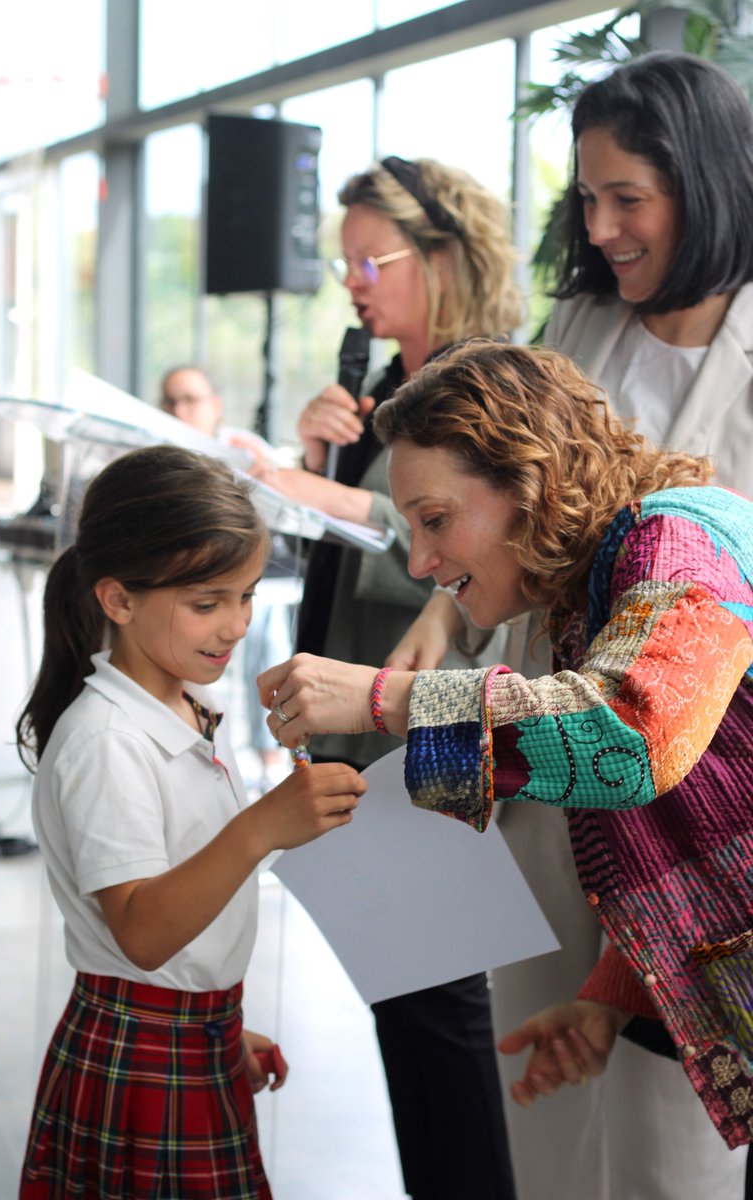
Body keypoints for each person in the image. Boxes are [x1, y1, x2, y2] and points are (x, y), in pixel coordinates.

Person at [384, 51, 753, 1199]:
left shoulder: (702, 456)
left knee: (664, 1132)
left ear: (703, 187)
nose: (598, 227)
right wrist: (436, 640)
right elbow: (495, 527)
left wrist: (395, 707)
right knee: (540, 1083)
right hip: (549, 760)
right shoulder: (579, 320)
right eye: (584, 197)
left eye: (625, 197)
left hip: (691, 798)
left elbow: (647, 715)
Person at [258, 339, 753, 1166]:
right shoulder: (598, 583)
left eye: (436, 521)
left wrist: (387, 702)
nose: (420, 562)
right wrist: (615, 995)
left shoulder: (680, 547)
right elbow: (691, 818)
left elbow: (632, 740)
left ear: (530, 482)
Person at [261, 155, 523, 1200]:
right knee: (401, 1010)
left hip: (424, 735)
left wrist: (334, 501)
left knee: (441, 1011)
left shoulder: (483, 382)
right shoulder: (376, 385)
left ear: (441, 257)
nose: (353, 282)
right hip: (351, 734)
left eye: (370, 259)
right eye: (344, 262)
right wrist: (309, 468)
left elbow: (469, 557)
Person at [15, 445, 366, 1200]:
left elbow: (182, 909)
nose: (236, 624)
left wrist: (217, 1025)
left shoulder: (179, 707)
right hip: (140, 1051)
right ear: (117, 599)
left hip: (186, 1035)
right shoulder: (107, 741)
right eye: (207, 603)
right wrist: (262, 827)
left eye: (245, 596)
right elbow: (141, 931)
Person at [160, 364, 297, 791]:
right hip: (184, 580)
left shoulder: (245, 449)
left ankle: (272, 753)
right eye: (171, 401)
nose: (181, 410)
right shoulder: (157, 456)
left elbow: (284, 513)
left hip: (246, 573)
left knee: (262, 627)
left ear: (215, 406)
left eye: (191, 400)